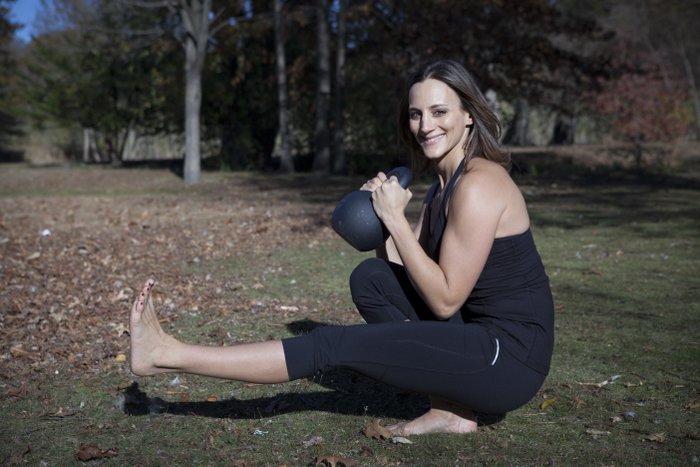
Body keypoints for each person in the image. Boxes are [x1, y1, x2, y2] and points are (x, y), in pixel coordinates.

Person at [129, 59, 554, 436]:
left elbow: (443, 302)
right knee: (372, 279)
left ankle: (168, 353)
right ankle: (453, 411)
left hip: (510, 360)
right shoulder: (443, 187)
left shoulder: (479, 184)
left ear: (468, 116)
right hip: (480, 336)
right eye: (415, 114)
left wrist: (393, 219)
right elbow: (408, 275)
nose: (426, 126)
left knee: (333, 345)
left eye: (439, 112)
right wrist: (387, 226)